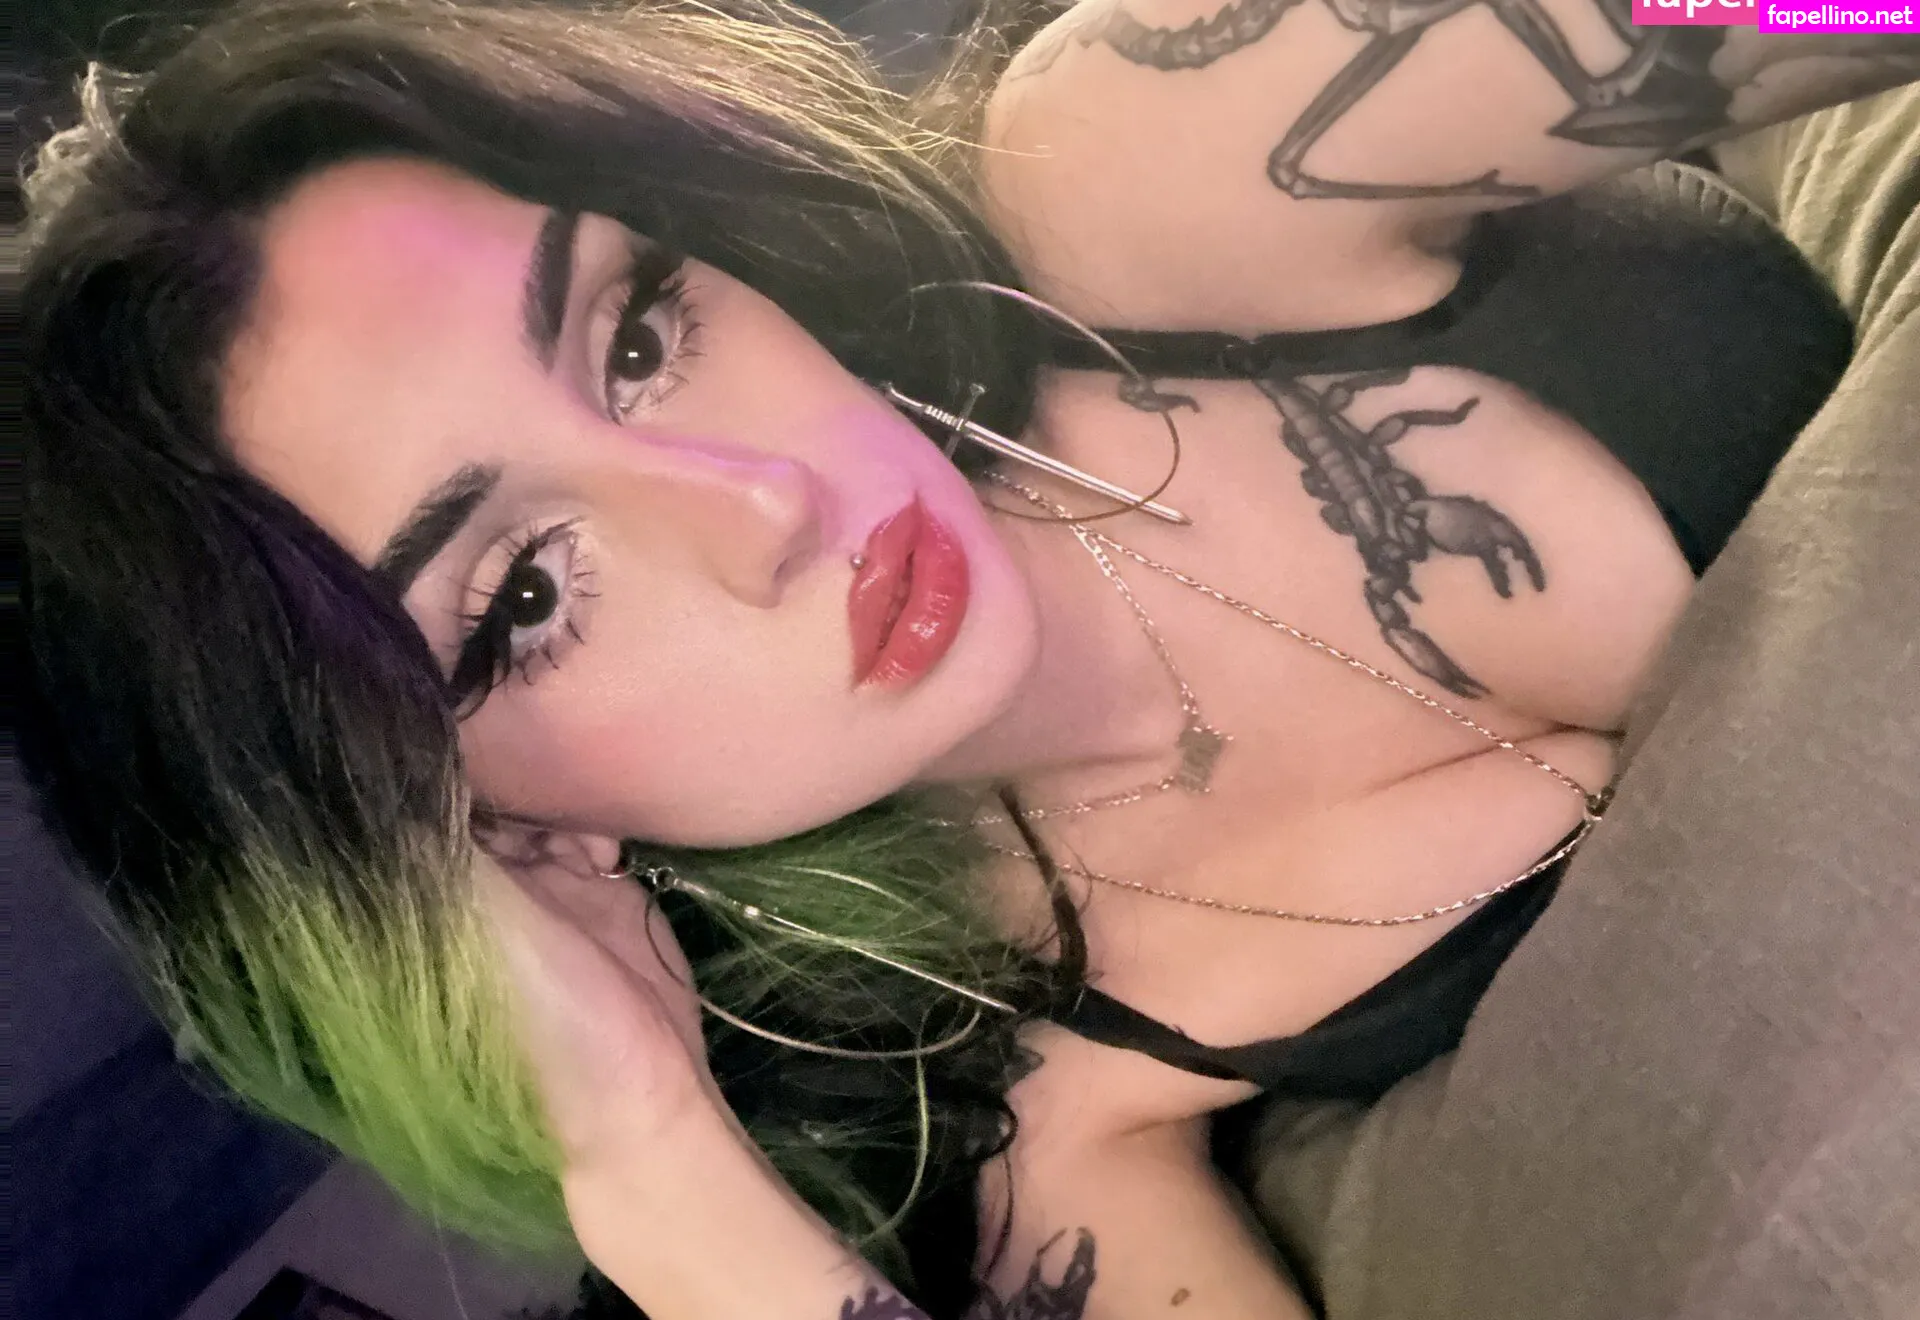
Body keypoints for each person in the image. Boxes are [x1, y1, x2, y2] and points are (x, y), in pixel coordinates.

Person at [18, 0, 1919, 1315]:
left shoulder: (1133, 174)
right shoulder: (1043, 1121)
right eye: (522, 595)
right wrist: (654, 1171)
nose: (762, 500)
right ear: (489, 840)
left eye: (637, 337)